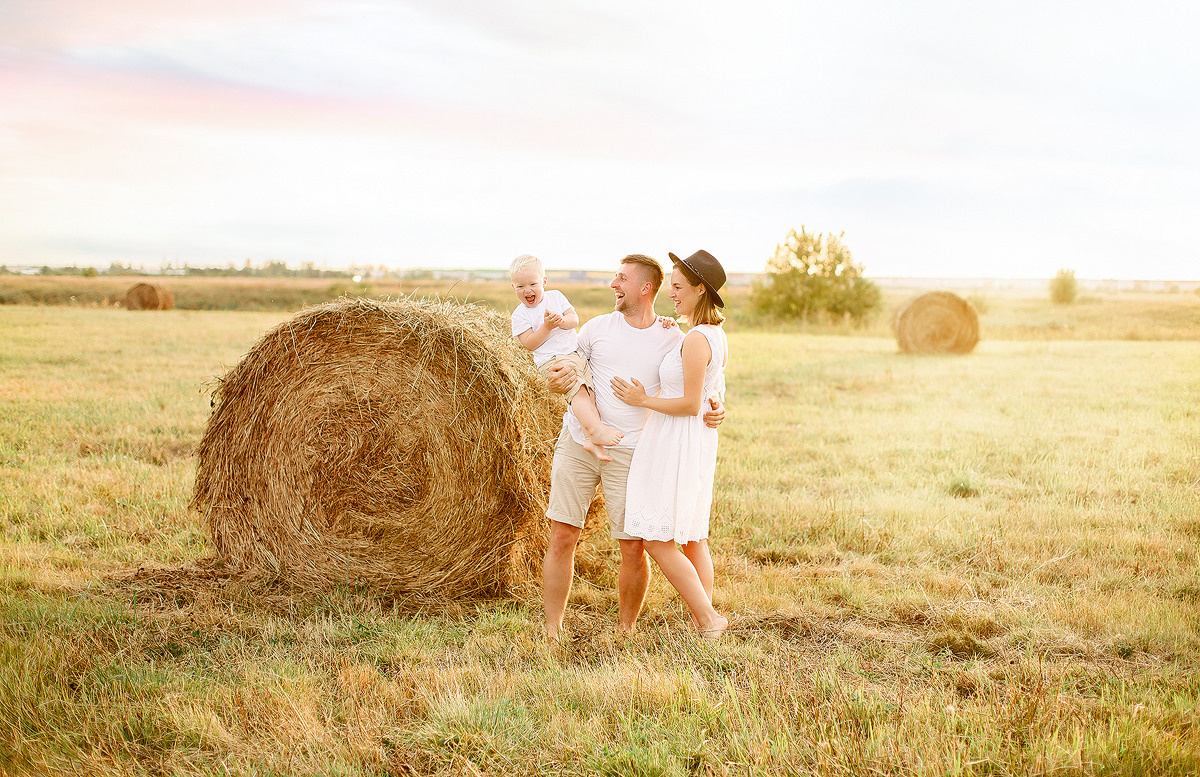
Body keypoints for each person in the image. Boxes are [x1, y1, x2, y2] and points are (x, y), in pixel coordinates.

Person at [541, 254, 725, 640]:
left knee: (633, 546)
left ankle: (626, 629)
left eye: (621, 278)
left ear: (645, 288)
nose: (613, 284)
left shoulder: (674, 336)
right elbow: (569, 366)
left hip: (632, 452)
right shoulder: (596, 329)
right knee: (562, 535)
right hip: (578, 441)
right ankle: (552, 629)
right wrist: (559, 377)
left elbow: (705, 378)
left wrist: (718, 407)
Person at [611, 250, 730, 640]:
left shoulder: (697, 339)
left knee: (657, 540)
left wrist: (641, 400)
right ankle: (703, 623)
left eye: (678, 287)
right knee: (694, 536)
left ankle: (709, 618)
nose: (672, 294)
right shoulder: (710, 334)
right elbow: (712, 392)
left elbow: (690, 403)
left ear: (700, 290)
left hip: (676, 442)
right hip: (693, 441)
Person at [509, 254, 623, 461]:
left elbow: (573, 319)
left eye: (533, 284)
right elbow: (529, 344)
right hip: (553, 359)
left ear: (544, 281)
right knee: (578, 392)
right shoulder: (520, 315)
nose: (527, 290)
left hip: (574, 354)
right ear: (513, 287)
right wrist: (547, 327)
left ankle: (591, 439)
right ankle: (596, 429)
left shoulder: (556, 298)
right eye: (520, 286)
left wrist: (561, 321)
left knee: (589, 395)